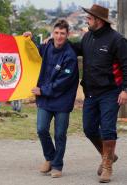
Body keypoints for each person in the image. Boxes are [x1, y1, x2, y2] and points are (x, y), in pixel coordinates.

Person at [73, 4, 127, 183]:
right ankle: (109, 155)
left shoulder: (117, 40)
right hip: (90, 93)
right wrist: (53, 43)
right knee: (89, 129)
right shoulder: (87, 37)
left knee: (108, 128)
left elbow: (126, 66)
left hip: (110, 92)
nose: (86, 20)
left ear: (99, 21)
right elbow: (74, 50)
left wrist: (125, 90)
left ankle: (107, 166)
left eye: (89, 18)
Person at [23, 19, 79, 178]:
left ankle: (57, 165)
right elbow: (33, 52)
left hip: (62, 100)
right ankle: (50, 157)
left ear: (67, 35)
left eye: (62, 33)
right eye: (56, 33)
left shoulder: (70, 56)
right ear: (52, 33)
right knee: (41, 129)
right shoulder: (47, 47)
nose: (59, 36)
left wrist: (42, 90)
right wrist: (29, 39)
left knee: (60, 134)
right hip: (45, 99)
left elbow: (63, 83)